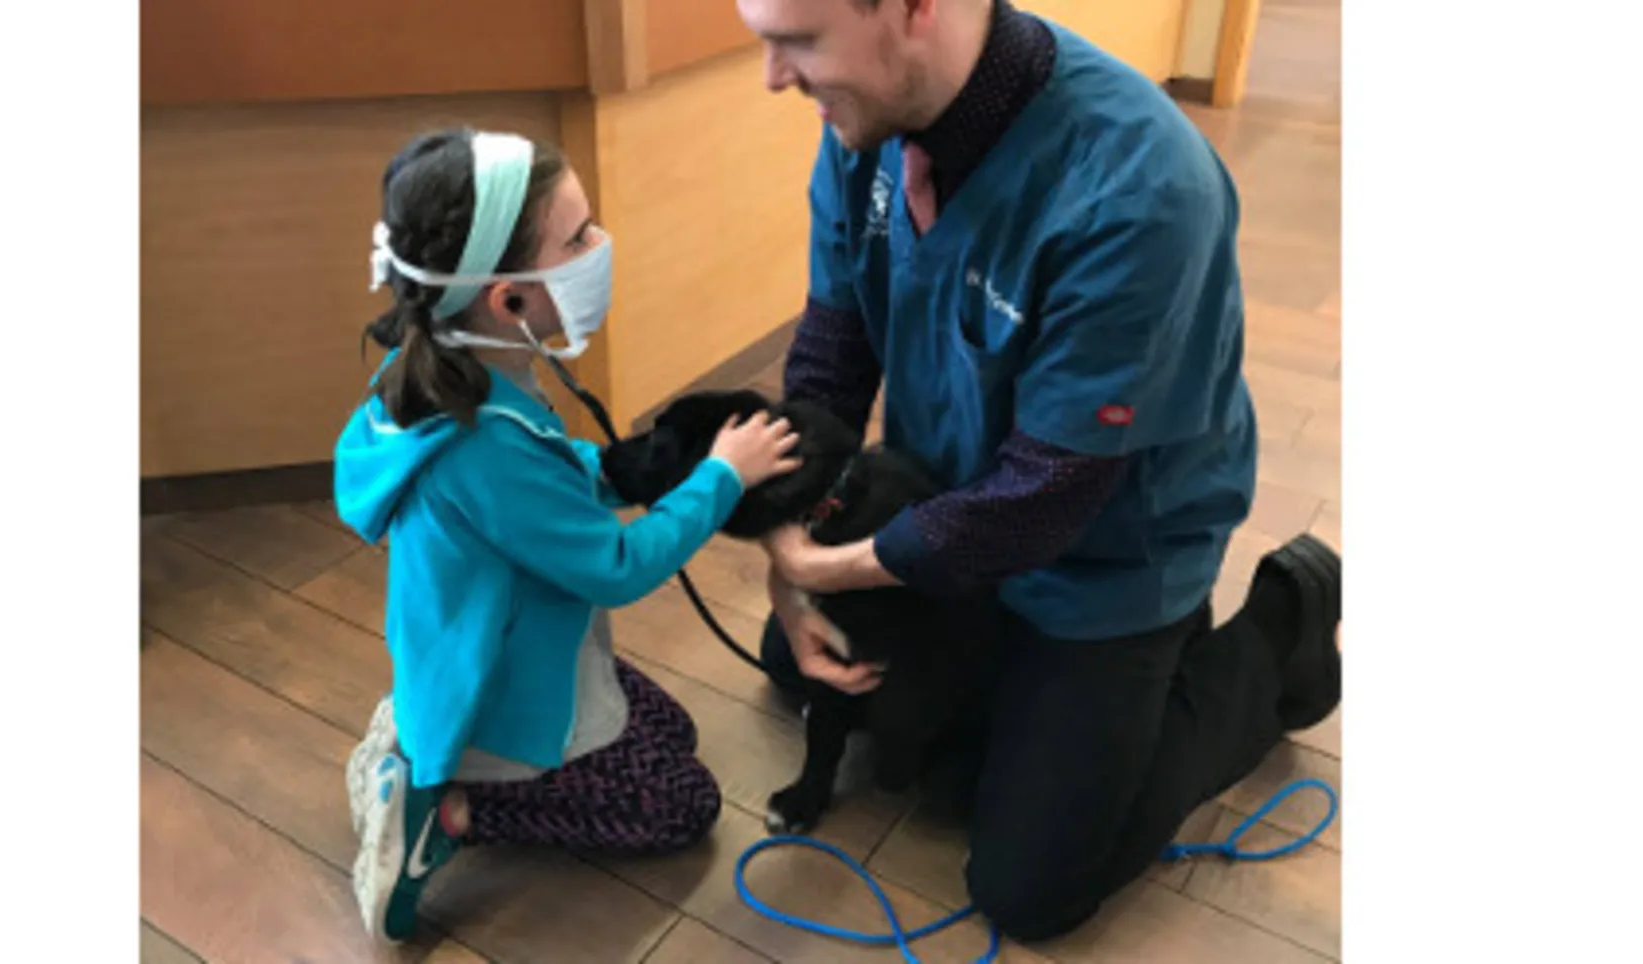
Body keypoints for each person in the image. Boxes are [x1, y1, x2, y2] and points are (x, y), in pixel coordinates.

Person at [734, 0, 1344, 942]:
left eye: (799, 41)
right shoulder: (867, 121)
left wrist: (821, 570)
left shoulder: (1140, 188)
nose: (774, 75)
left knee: (1031, 887)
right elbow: (830, 357)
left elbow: (1041, 501)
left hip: (1100, 554)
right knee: (798, 662)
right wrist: (788, 567)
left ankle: (1272, 635)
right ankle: (1018, 695)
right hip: (947, 506)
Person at [332, 127, 803, 944]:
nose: (600, 245)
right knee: (682, 804)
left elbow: (541, 470)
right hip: (503, 692)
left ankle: (420, 731)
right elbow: (618, 566)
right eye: (578, 236)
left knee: (674, 734)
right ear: (508, 300)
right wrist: (720, 478)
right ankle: (448, 809)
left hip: (504, 645)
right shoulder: (481, 444)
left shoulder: (456, 372)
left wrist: (613, 474)